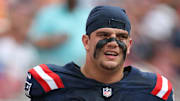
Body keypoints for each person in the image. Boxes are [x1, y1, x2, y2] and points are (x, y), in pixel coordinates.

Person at [24, 5, 174, 101]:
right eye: (104, 35)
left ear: (129, 45)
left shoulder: (154, 89)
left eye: (121, 37)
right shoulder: (48, 81)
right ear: (86, 42)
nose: (113, 43)